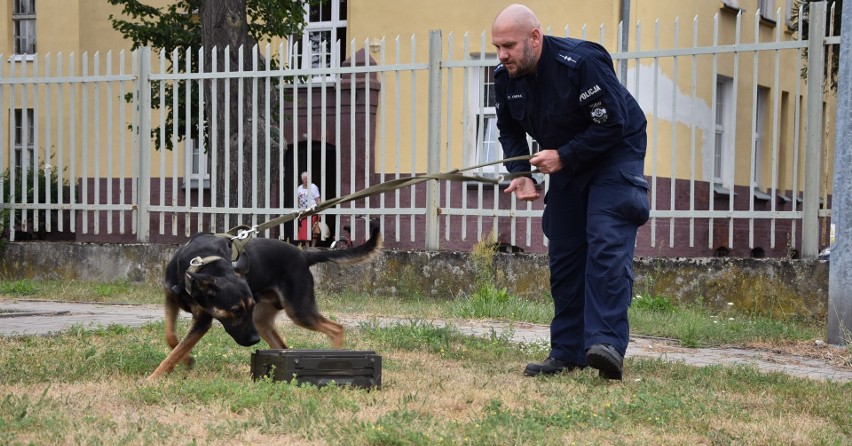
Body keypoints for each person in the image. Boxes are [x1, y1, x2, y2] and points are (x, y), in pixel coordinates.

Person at [491, 4, 650, 380]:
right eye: (497, 46)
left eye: (509, 45)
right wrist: (521, 172)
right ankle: (567, 351)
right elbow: (509, 129)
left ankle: (607, 346)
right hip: (565, 158)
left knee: (605, 240)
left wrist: (565, 155)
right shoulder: (505, 77)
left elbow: (613, 122)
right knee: (564, 248)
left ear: (534, 37)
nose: (502, 55)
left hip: (614, 152)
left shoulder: (580, 64)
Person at [297, 171, 322, 246]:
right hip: (303, 212)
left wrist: (319, 211)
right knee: (305, 230)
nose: (306, 180)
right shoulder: (299, 188)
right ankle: (307, 246)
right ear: (302, 179)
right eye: (305, 179)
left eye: (308, 178)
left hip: (312, 211)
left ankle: (313, 247)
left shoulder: (313, 187)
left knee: (314, 230)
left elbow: (318, 199)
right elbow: (298, 200)